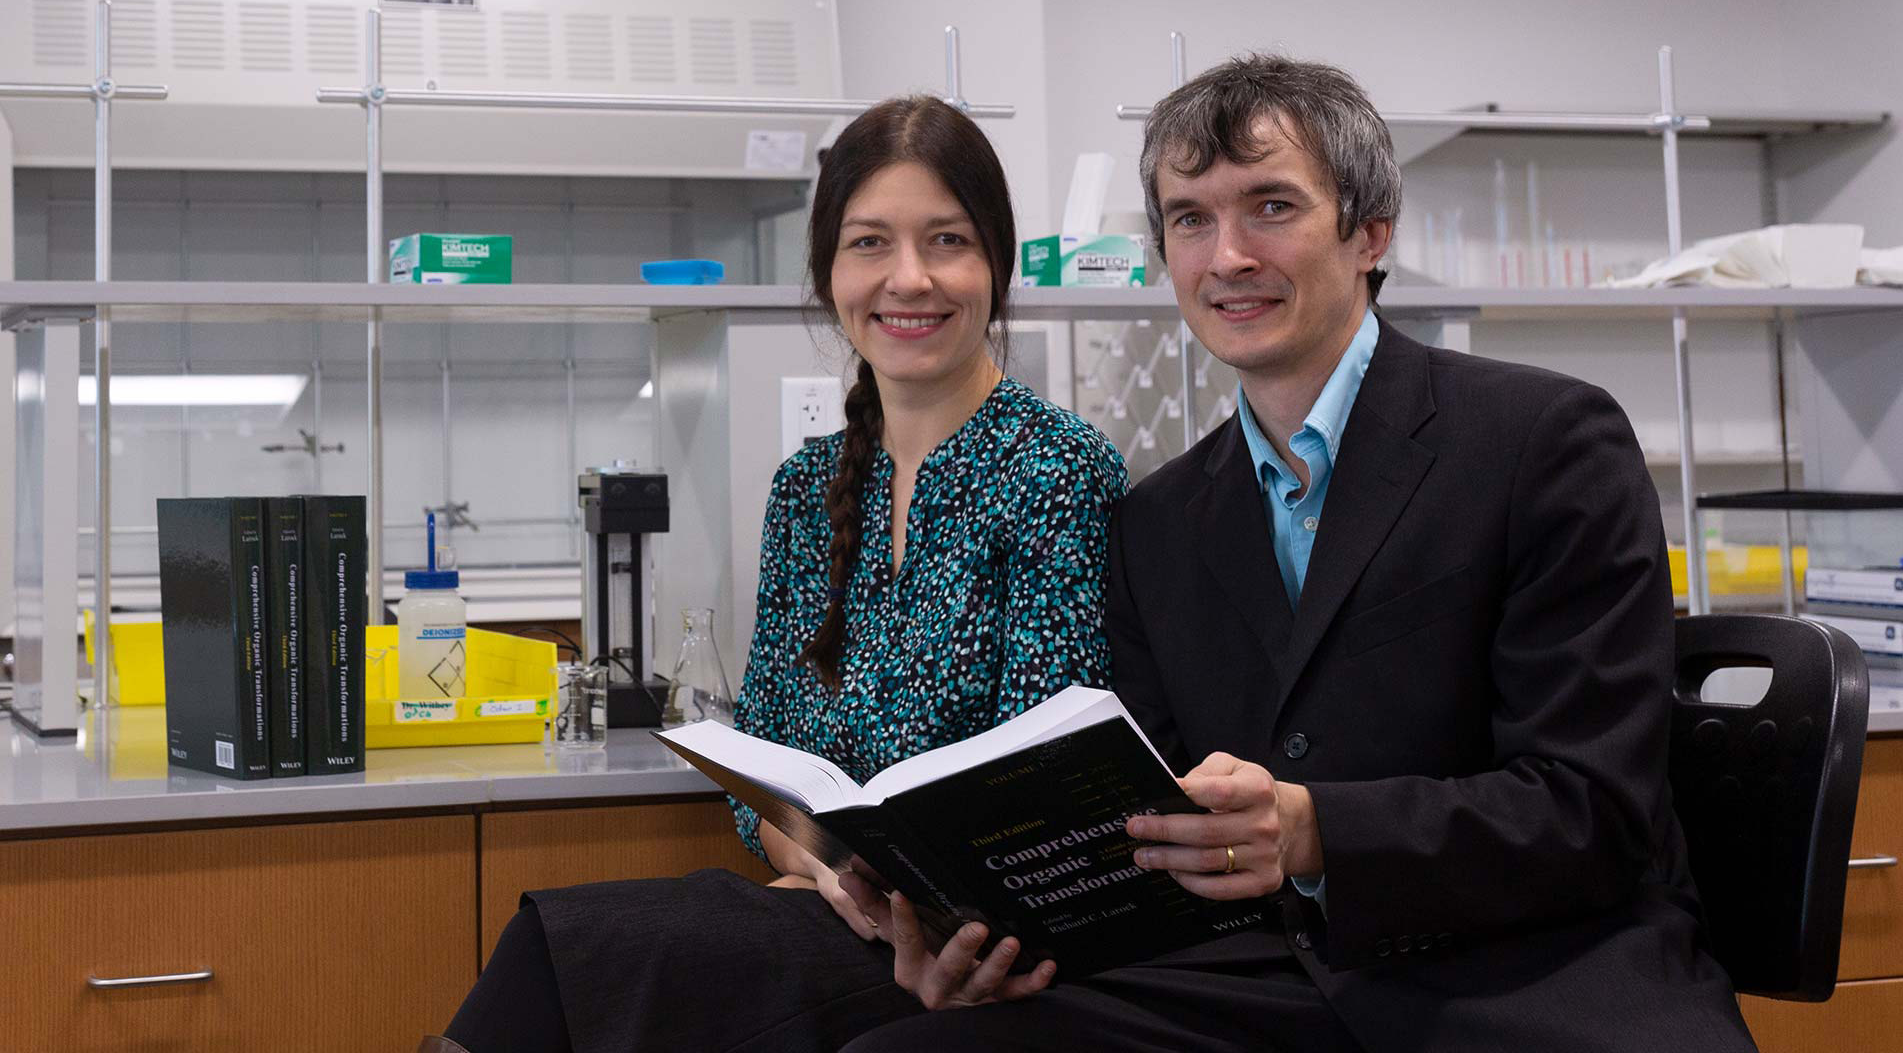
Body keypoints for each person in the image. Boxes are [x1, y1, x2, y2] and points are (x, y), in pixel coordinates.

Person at [825, 55, 1760, 1051]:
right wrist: (986, 941)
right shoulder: (1157, 524)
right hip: (1274, 982)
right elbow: (1150, 842)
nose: (1226, 256)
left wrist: (1317, 831)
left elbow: (1593, 811)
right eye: (1190, 219)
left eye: (1270, 206)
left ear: (1370, 230)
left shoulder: (1544, 443)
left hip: (1536, 983)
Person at [426, 96, 1128, 1053]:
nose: (909, 278)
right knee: (558, 953)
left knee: (568, 957)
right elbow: (763, 766)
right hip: (835, 917)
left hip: (978, 965)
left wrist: (891, 903)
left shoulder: (1059, 472)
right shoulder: (808, 490)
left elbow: (1048, 791)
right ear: (829, 272)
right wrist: (829, 868)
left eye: (947, 240)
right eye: (870, 243)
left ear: (995, 264)